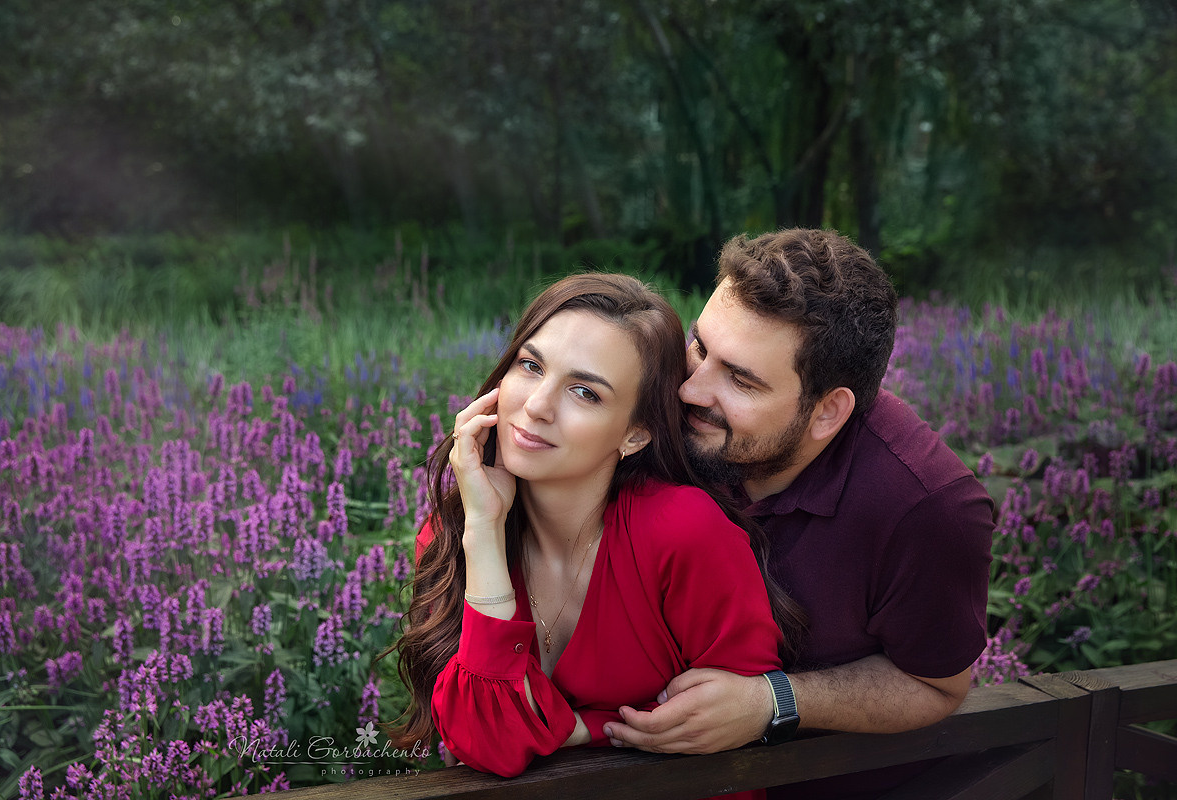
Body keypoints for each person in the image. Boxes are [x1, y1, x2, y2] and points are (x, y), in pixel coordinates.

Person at [602, 229, 995, 798]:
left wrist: (774, 700)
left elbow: (935, 686)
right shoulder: (671, 409)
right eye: (699, 346)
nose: (690, 390)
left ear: (827, 412)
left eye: (741, 379)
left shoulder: (928, 510)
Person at [388, 273, 803, 797]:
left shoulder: (683, 533)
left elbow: (736, 731)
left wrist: (576, 728)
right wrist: (486, 533)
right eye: (530, 365)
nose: (537, 405)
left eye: (584, 392)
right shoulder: (459, 532)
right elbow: (485, 742)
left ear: (635, 433)